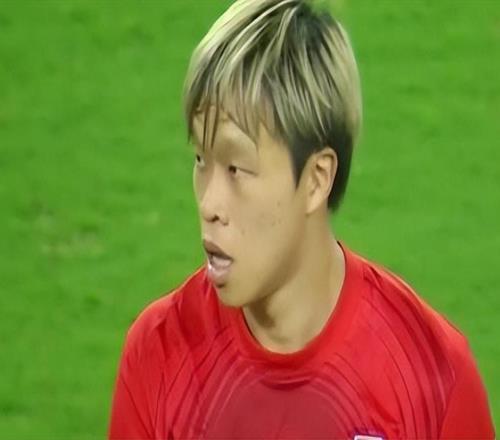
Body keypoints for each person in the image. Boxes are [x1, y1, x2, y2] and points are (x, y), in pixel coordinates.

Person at [108, 1, 495, 438]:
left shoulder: (433, 378)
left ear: (316, 179)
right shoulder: (158, 355)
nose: (209, 203)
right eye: (201, 159)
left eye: (236, 169)